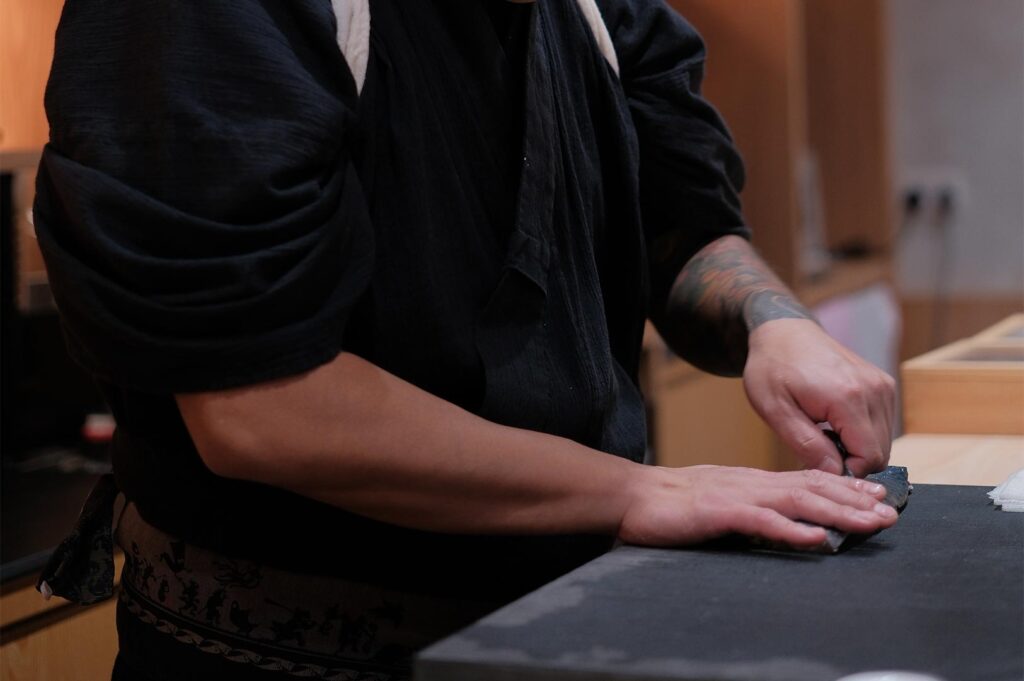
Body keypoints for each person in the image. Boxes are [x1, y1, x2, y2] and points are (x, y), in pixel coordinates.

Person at [33, 1, 897, 679]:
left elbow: (679, 221)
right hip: (278, 647)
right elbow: (261, 406)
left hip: (558, 626)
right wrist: (638, 491)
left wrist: (772, 322)